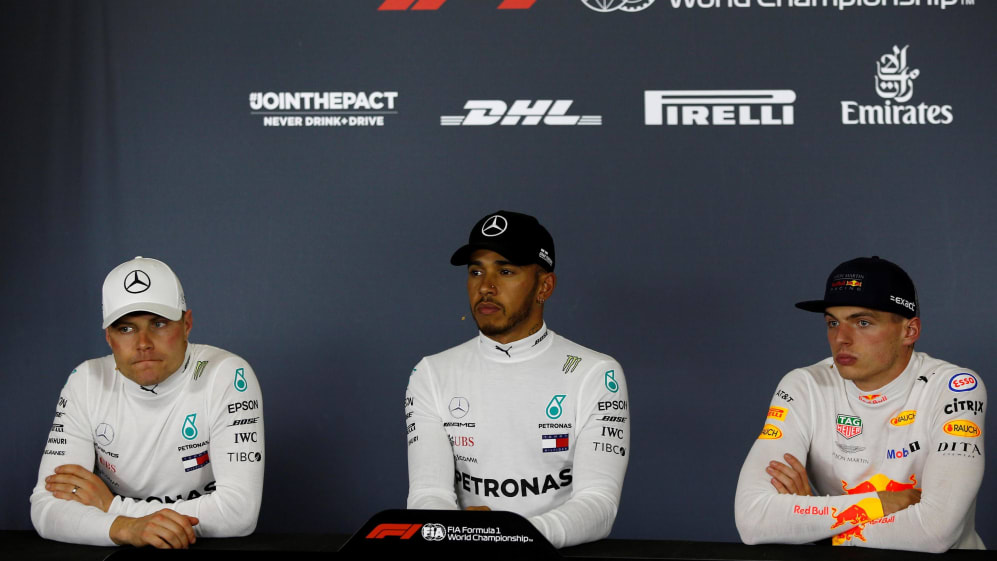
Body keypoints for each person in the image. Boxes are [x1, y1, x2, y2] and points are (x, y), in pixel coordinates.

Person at [405, 211, 629, 548]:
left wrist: (506, 536)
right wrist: (467, 535)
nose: (485, 287)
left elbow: (599, 505)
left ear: (544, 286)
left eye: (506, 271)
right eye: (476, 271)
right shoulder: (431, 373)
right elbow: (427, 495)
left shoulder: (595, 373)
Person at [734, 256, 985, 552]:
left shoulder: (955, 387)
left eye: (863, 322)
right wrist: (876, 503)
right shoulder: (804, 385)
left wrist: (812, 524)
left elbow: (935, 532)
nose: (841, 338)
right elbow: (753, 520)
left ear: (909, 331)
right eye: (832, 322)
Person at [30, 257, 264, 548]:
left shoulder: (226, 374)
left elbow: (239, 513)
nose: (143, 343)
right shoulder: (86, 381)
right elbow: (46, 509)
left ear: (187, 325)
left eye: (159, 323)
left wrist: (113, 508)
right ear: (109, 337)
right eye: (125, 329)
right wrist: (127, 528)